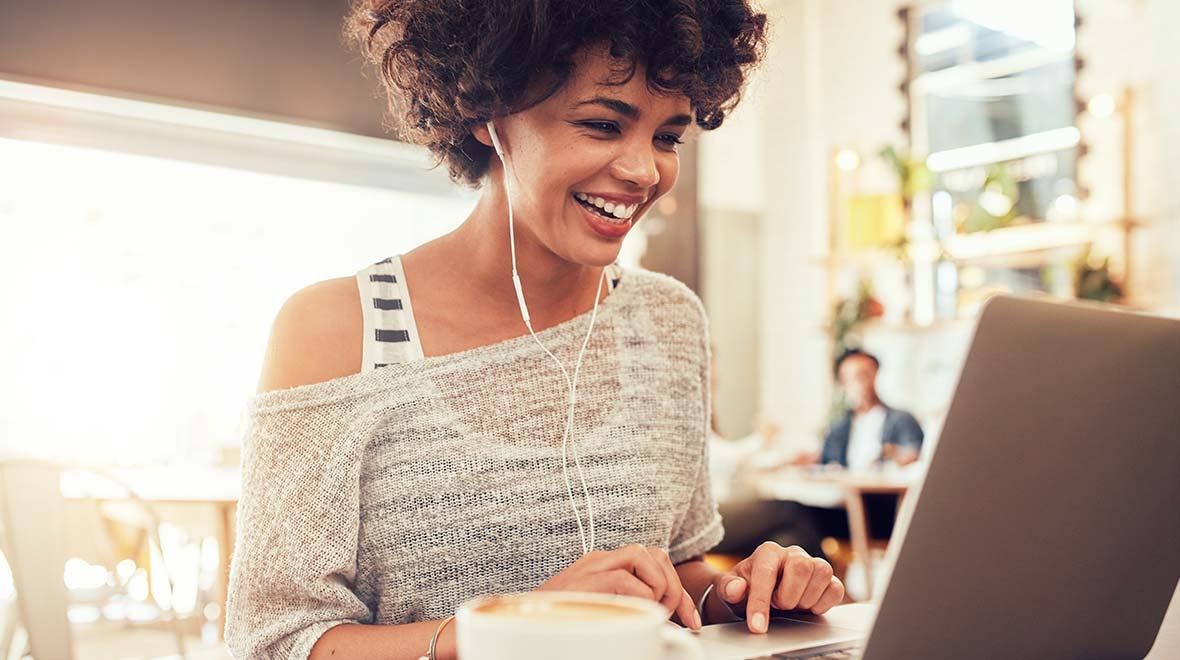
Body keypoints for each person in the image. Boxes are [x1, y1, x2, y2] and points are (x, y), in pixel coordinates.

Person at [224, 2, 844, 659]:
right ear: (489, 112)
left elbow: (673, 580)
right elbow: (276, 642)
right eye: (604, 124)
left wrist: (739, 596)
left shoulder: (668, 323)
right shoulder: (337, 331)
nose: (643, 171)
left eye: (668, 137)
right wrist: (520, 625)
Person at [795, 348, 924, 470]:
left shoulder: (902, 419)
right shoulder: (839, 425)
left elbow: (916, 455)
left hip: (885, 492)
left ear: (876, 376)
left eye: (864, 375)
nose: (858, 383)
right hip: (846, 490)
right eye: (849, 378)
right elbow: (827, 460)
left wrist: (895, 454)